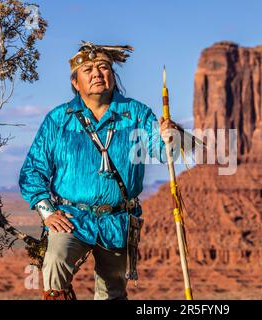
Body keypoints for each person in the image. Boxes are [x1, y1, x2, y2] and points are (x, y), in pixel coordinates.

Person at [19, 41, 178, 300]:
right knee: (55, 263)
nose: (97, 74)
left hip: (118, 220)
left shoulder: (135, 114)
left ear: (113, 76)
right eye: (88, 69)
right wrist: (47, 212)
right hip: (71, 217)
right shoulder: (58, 120)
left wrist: (169, 135)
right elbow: (33, 170)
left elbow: (162, 152)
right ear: (75, 82)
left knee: (112, 293)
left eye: (104, 67)